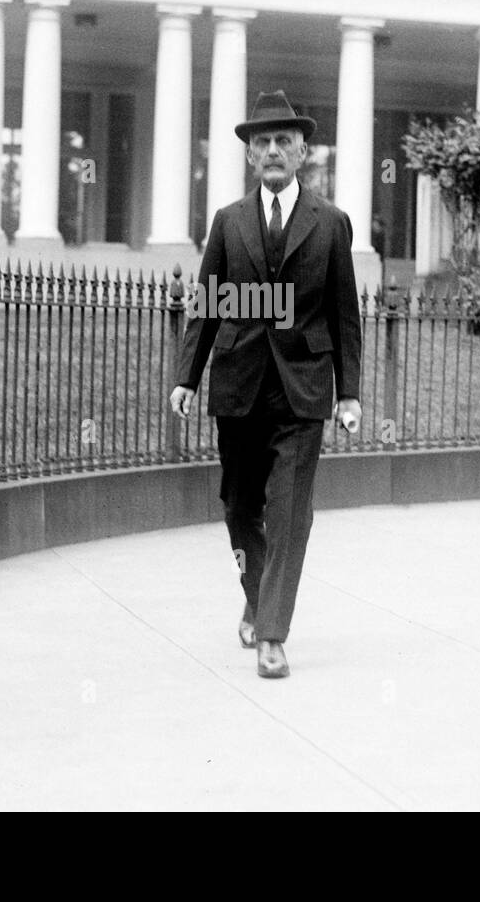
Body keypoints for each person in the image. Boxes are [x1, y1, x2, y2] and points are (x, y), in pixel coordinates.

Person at [170, 90, 362, 678]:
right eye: (262, 143)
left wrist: (349, 392)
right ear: (250, 156)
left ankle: (272, 634)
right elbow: (206, 304)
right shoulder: (229, 223)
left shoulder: (330, 224)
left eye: (283, 141)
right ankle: (257, 595)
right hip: (239, 384)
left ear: (303, 151)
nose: (273, 151)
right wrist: (187, 376)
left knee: (289, 512)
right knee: (238, 505)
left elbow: (343, 312)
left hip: (303, 387)